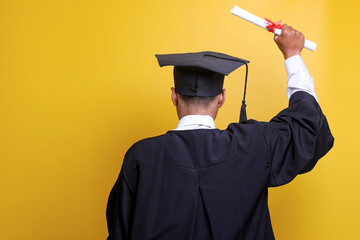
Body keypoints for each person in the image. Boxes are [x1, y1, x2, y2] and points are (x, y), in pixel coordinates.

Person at [106, 24, 334, 240]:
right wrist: (293, 55)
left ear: (174, 96)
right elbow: (307, 127)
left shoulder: (140, 157)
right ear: (221, 98)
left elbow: (119, 231)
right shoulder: (253, 145)